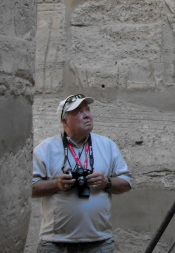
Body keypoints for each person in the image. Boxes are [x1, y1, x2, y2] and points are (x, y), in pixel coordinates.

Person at [32, 94, 132, 252]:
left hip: (99, 242)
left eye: (88, 110)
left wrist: (107, 182)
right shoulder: (45, 149)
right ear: (65, 121)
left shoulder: (107, 146)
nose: (87, 115)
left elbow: (127, 183)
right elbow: (29, 188)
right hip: (55, 243)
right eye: (78, 112)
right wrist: (56, 184)